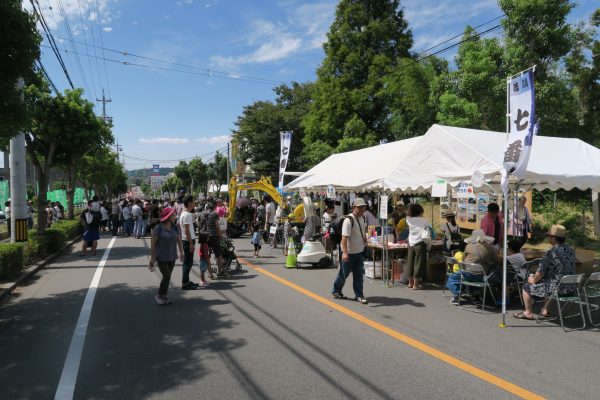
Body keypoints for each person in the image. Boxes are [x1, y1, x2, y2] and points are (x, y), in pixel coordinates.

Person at [514, 225, 576, 320]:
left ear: (553, 238)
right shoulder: (571, 250)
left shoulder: (551, 253)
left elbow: (540, 273)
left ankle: (528, 313)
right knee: (550, 281)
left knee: (527, 286)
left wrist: (532, 280)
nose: (547, 237)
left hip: (558, 289)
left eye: (548, 235)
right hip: (571, 288)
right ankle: (545, 310)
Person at [445, 230, 498, 305]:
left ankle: (457, 295)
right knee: (476, 276)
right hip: (482, 275)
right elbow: (496, 260)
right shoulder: (490, 247)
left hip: (467, 273)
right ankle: (476, 294)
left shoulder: (469, 246)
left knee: (452, 279)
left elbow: (463, 259)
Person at [331, 198, 369, 304]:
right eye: (360, 207)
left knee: (359, 276)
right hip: (349, 252)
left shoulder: (363, 217)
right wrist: (345, 253)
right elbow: (344, 238)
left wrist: (365, 239)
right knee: (343, 274)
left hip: (359, 252)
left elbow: (363, 231)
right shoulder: (349, 220)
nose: (362, 209)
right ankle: (336, 290)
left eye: (364, 207)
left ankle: (359, 295)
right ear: (354, 207)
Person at [149, 207, 184, 305]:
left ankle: (164, 295)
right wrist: (152, 260)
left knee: (167, 277)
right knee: (167, 276)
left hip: (172, 256)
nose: (175, 216)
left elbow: (179, 240)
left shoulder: (174, 227)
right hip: (161, 257)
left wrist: (181, 253)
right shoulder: (158, 228)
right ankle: (159, 295)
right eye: (173, 215)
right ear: (168, 217)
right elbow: (153, 245)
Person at [405, 203, 431, 290]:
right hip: (420, 242)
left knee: (410, 262)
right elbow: (429, 230)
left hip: (411, 243)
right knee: (418, 263)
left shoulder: (408, 220)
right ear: (420, 212)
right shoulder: (424, 220)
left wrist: (410, 208)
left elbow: (407, 214)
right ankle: (416, 284)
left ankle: (410, 282)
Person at [179, 195, 199, 290]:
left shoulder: (185, 213)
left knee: (187, 262)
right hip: (187, 241)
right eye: (193, 201)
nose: (195, 203)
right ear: (190, 203)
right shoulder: (186, 214)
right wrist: (191, 244)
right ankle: (185, 283)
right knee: (188, 263)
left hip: (186, 240)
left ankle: (186, 281)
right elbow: (187, 230)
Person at [205, 200, 228, 279]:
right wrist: (221, 235)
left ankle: (210, 273)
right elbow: (217, 226)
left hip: (206, 236)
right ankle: (219, 272)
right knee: (218, 255)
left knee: (207, 255)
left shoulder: (205, 213)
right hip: (214, 236)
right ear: (215, 206)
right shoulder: (214, 214)